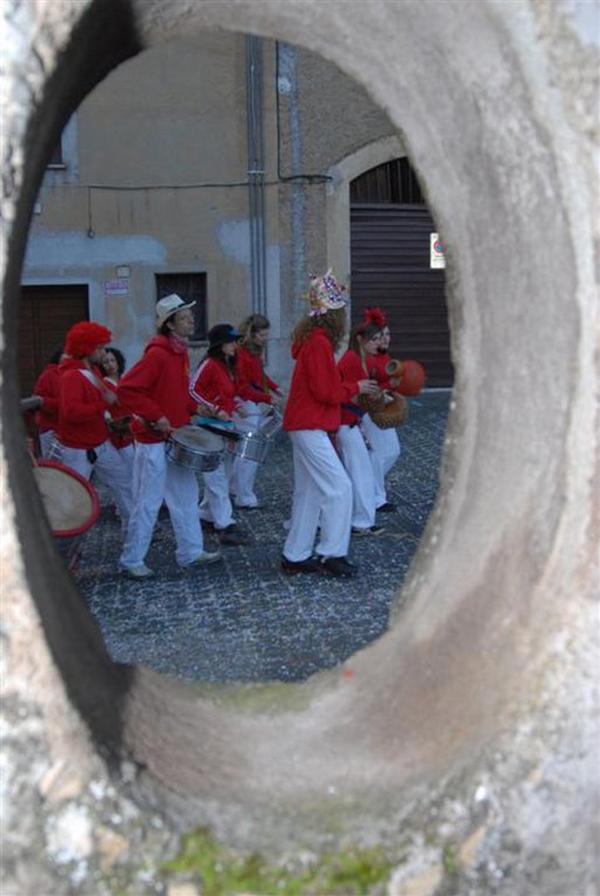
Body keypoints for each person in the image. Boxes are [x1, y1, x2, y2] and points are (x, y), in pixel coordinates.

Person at [281, 270, 379, 578]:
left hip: (307, 423)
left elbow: (321, 386)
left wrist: (349, 387)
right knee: (339, 487)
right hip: (310, 424)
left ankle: (295, 555)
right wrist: (355, 388)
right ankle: (331, 553)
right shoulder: (319, 344)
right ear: (334, 314)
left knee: (309, 493)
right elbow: (325, 392)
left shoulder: (313, 342)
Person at [117, 294, 222, 577]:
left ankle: (190, 552)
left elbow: (175, 394)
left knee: (187, 496)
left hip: (175, 438)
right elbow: (127, 389)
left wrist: (197, 407)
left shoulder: (179, 353)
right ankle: (131, 560)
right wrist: (156, 416)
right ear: (170, 325)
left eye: (190, 317)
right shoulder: (158, 354)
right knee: (148, 502)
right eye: (186, 318)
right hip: (153, 440)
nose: (192, 322)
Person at [52, 322, 133, 533]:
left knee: (125, 484)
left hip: (100, 443)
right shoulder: (71, 377)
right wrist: (104, 403)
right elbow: (71, 413)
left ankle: (134, 533)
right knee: (73, 500)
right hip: (78, 449)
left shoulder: (92, 370)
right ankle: (66, 546)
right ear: (86, 349)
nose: (104, 352)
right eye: (100, 348)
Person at [189, 324, 249, 545]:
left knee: (220, 472)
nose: (236, 345)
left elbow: (223, 393)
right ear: (220, 344)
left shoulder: (225, 365)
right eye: (232, 341)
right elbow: (192, 390)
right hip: (209, 427)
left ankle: (205, 513)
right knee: (216, 476)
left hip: (223, 426)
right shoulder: (209, 364)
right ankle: (225, 523)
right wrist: (214, 409)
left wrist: (235, 405)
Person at [337, 312, 386, 536]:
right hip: (344, 421)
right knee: (360, 470)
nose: (378, 343)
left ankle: (358, 518)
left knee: (357, 470)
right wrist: (374, 399)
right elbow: (346, 394)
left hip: (352, 421)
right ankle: (361, 521)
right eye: (373, 339)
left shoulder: (366, 360)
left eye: (379, 339)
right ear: (360, 339)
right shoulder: (351, 360)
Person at [230, 313, 283, 509]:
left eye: (266, 335)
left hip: (247, 403)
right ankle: (243, 495)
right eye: (262, 335)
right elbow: (243, 386)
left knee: (244, 450)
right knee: (251, 451)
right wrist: (268, 397)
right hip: (243, 404)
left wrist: (274, 387)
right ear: (252, 334)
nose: (265, 339)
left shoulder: (252, 352)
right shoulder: (243, 355)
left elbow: (259, 375)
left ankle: (236, 488)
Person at [360, 312, 401, 513]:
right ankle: (376, 497)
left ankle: (370, 489)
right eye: (380, 336)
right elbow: (369, 385)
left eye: (387, 334)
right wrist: (386, 388)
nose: (385, 339)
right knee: (381, 452)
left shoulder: (383, 356)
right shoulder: (368, 359)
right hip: (371, 410)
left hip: (381, 408)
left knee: (390, 451)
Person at [32, 346, 63, 457]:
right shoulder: (48, 375)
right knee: (52, 466)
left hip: (66, 430)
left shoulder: (72, 374)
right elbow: (39, 399)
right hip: (51, 428)